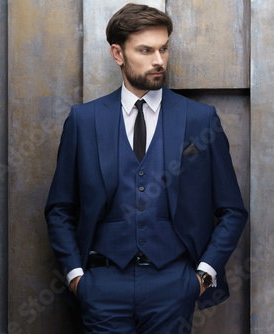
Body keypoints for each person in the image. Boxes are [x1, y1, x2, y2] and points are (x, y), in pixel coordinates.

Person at [45, 3, 247, 333]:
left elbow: (232, 210)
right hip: (102, 286)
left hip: (174, 285)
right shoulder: (84, 121)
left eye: (164, 48)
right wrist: (77, 278)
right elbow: (59, 208)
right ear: (118, 54)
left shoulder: (200, 119)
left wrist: (201, 276)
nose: (159, 61)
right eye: (146, 50)